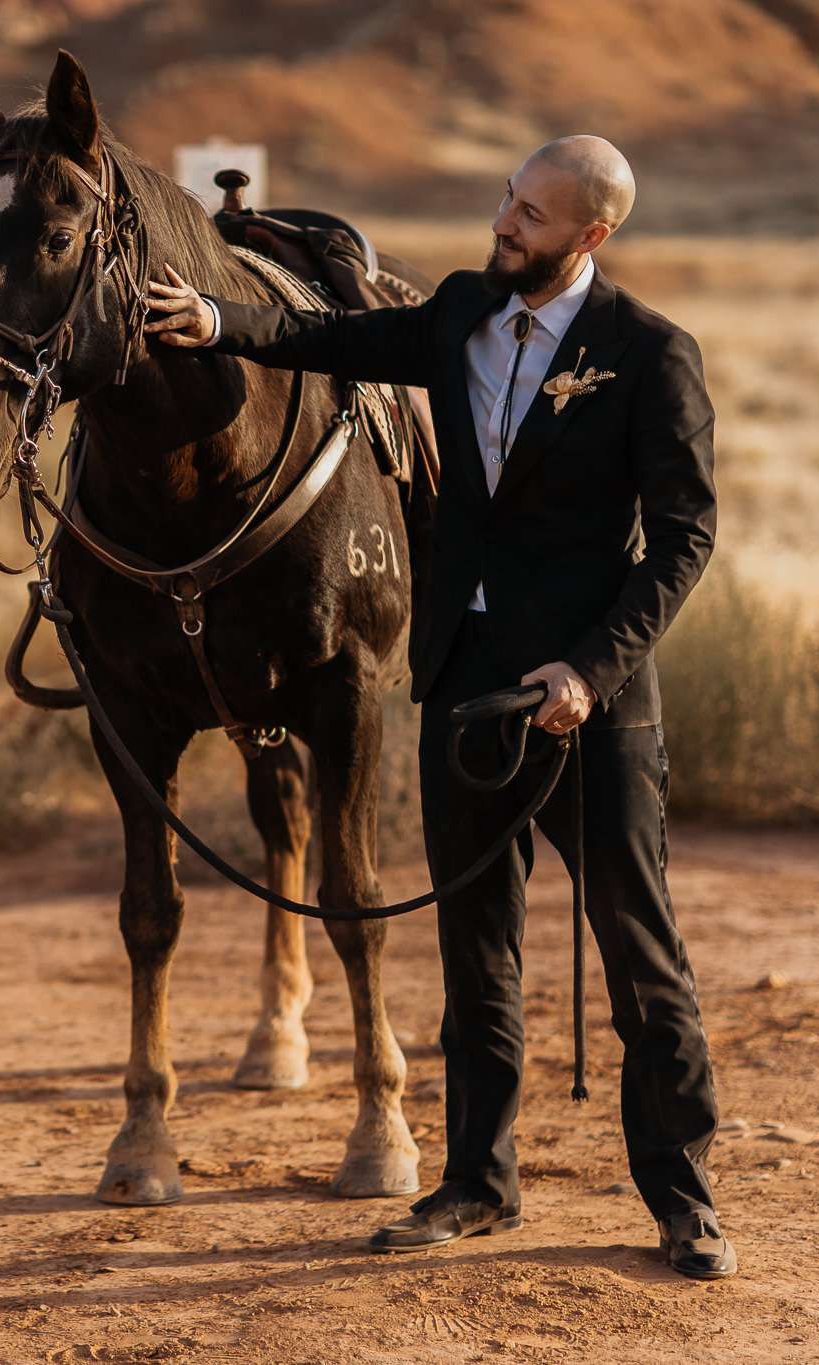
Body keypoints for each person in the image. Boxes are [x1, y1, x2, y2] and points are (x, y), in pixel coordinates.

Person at [143, 137, 734, 1279]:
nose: (503, 224)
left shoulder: (649, 356)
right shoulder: (461, 309)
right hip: (464, 691)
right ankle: (475, 1183)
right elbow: (336, 340)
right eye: (506, 201)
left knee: (639, 954)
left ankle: (683, 1197)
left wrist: (589, 669)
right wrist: (218, 324)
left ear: (588, 236)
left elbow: (681, 540)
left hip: (587, 708)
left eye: (530, 215)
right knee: (475, 956)